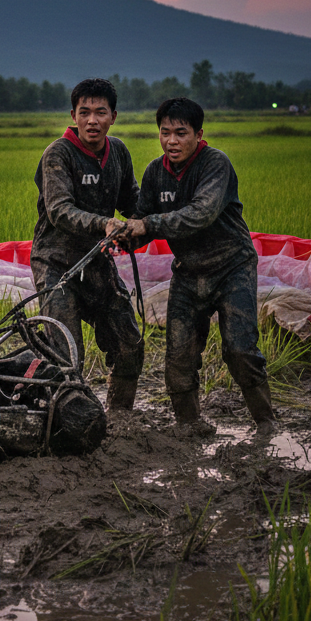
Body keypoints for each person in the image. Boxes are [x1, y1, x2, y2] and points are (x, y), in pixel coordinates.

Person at [113, 97, 276, 434]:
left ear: (199, 134)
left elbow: (201, 214)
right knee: (179, 356)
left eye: (181, 133)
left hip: (232, 267)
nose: (172, 141)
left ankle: (266, 421)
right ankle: (189, 424)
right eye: (165, 133)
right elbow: (143, 219)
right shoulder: (156, 172)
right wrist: (125, 234)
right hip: (188, 271)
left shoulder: (216, 164)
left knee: (240, 350)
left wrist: (148, 225)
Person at [31, 78, 144, 409]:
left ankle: (120, 418)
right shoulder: (58, 154)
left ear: (114, 116)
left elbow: (131, 200)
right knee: (67, 355)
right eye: (85, 112)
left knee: (129, 342)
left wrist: (150, 222)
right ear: (73, 115)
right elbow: (59, 210)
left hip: (96, 262)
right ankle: (66, 421)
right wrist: (103, 223)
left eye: (100, 112)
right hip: (56, 264)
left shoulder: (118, 152)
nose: (92, 120)